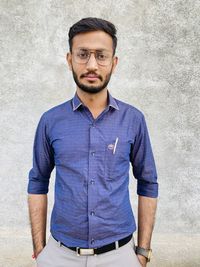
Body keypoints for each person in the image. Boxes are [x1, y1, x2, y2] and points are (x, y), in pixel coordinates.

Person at [27, 17, 158, 267]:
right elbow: (37, 182)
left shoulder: (133, 120)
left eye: (101, 55)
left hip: (120, 256)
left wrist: (142, 252)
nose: (91, 64)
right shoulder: (50, 121)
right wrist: (40, 251)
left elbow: (148, 183)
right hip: (60, 255)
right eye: (83, 54)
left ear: (114, 62)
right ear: (69, 60)